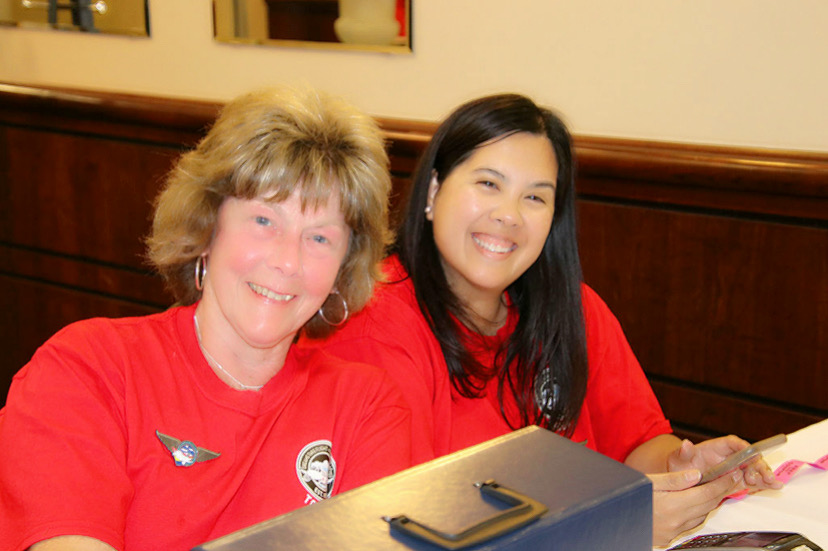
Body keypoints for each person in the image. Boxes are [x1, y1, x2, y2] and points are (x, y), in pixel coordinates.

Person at [299, 93, 783, 546]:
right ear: (432, 191)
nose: (509, 215)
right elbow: (407, 525)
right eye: (488, 184)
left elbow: (637, 444)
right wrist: (611, 523)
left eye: (535, 197)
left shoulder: (573, 308)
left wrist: (685, 468)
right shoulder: (374, 323)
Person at [0, 86, 411, 551]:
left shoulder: (366, 408)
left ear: (343, 268)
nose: (287, 261)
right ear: (207, 227)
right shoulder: (88, 368)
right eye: (264, 221)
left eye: (319, 239)